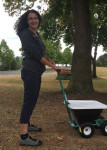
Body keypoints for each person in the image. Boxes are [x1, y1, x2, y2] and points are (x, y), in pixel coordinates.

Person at [14, 9, 60, 146]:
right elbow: (35, 55)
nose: (33, 20)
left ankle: (27, 124)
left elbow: (41, 54)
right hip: (30, 71)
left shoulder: (36, 35)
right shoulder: (25, 34)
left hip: (36, 72)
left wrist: (50, 61)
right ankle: (24, 136)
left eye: (35, 18)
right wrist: (53, 67)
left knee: (32, 100)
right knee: (29, 101)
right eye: (30, 18)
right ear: (26, 21)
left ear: (39, 20)